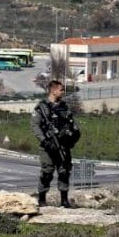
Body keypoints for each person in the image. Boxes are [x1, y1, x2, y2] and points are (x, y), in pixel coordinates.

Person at [31, 80, 81, 208]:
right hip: (48, 147)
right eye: (61, 90)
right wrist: (45, 141)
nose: (63, 92)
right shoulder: (42, 107)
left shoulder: (64, 107)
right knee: (47, 172)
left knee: (64, 171)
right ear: (53, 91)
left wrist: (73, 136)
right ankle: (42, 198)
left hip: (63, 146)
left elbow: (71, 123)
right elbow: (35, 126)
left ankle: (64, 200)